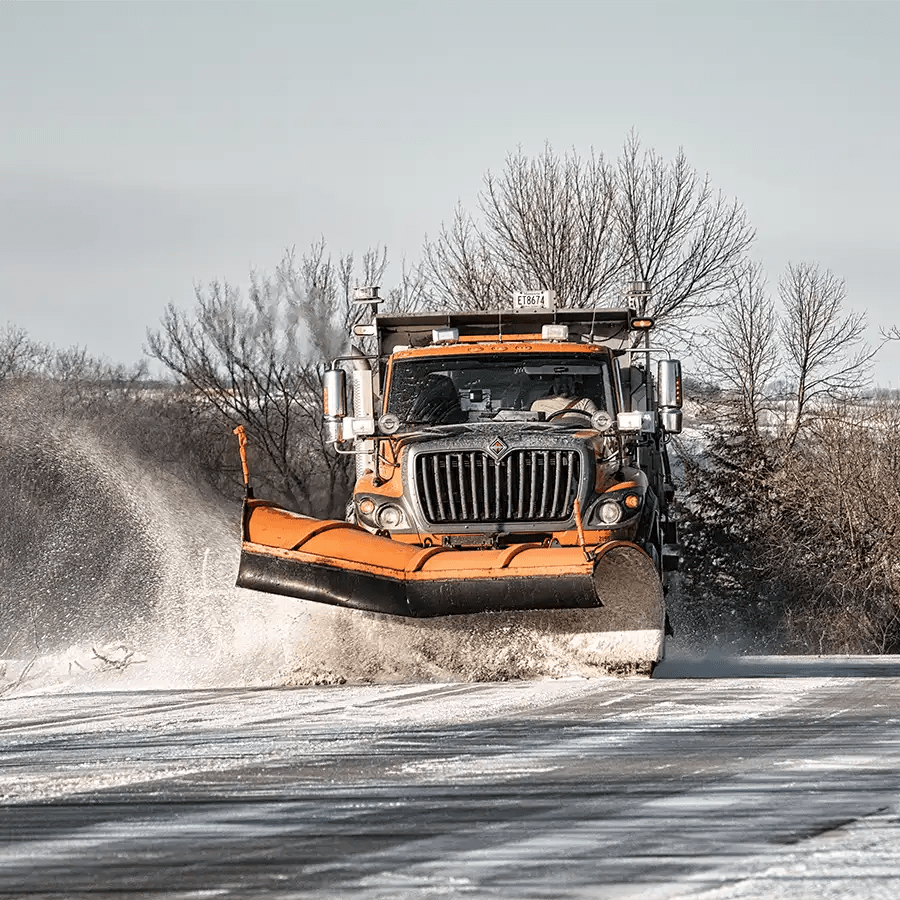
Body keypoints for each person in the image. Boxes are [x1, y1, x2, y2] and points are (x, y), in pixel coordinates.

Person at [530, 374, 599, 420]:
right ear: (553, 384)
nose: (563, 386)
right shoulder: (539, 404)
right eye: (559, 382)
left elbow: (598, 426)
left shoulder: (586, 404)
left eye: (567, 381)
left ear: (573, 383)